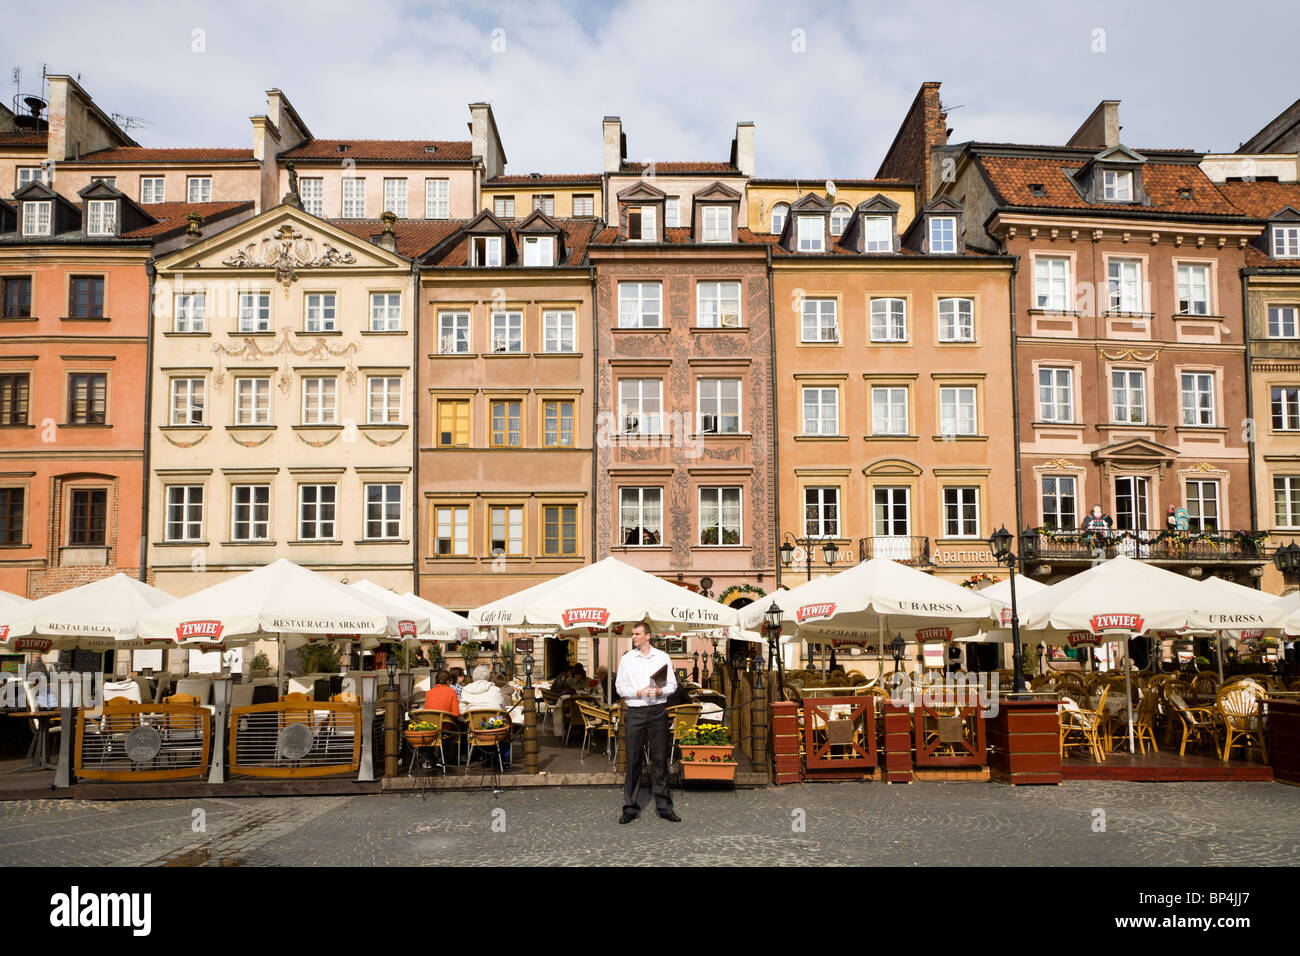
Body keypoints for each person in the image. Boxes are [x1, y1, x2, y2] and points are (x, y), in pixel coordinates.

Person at [615, 622, 680, 823]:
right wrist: (638, 692)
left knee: (659, 759)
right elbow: (620, 688)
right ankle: (630, 807)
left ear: (648, 636)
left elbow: (672, 685)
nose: (634, 637)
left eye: (637, 634)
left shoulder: (662, 657)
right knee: (633, 760)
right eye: (633, 634)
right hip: (634, 711)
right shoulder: (627, 659)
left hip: (657, 711)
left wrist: (660, 691)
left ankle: (664, 806)